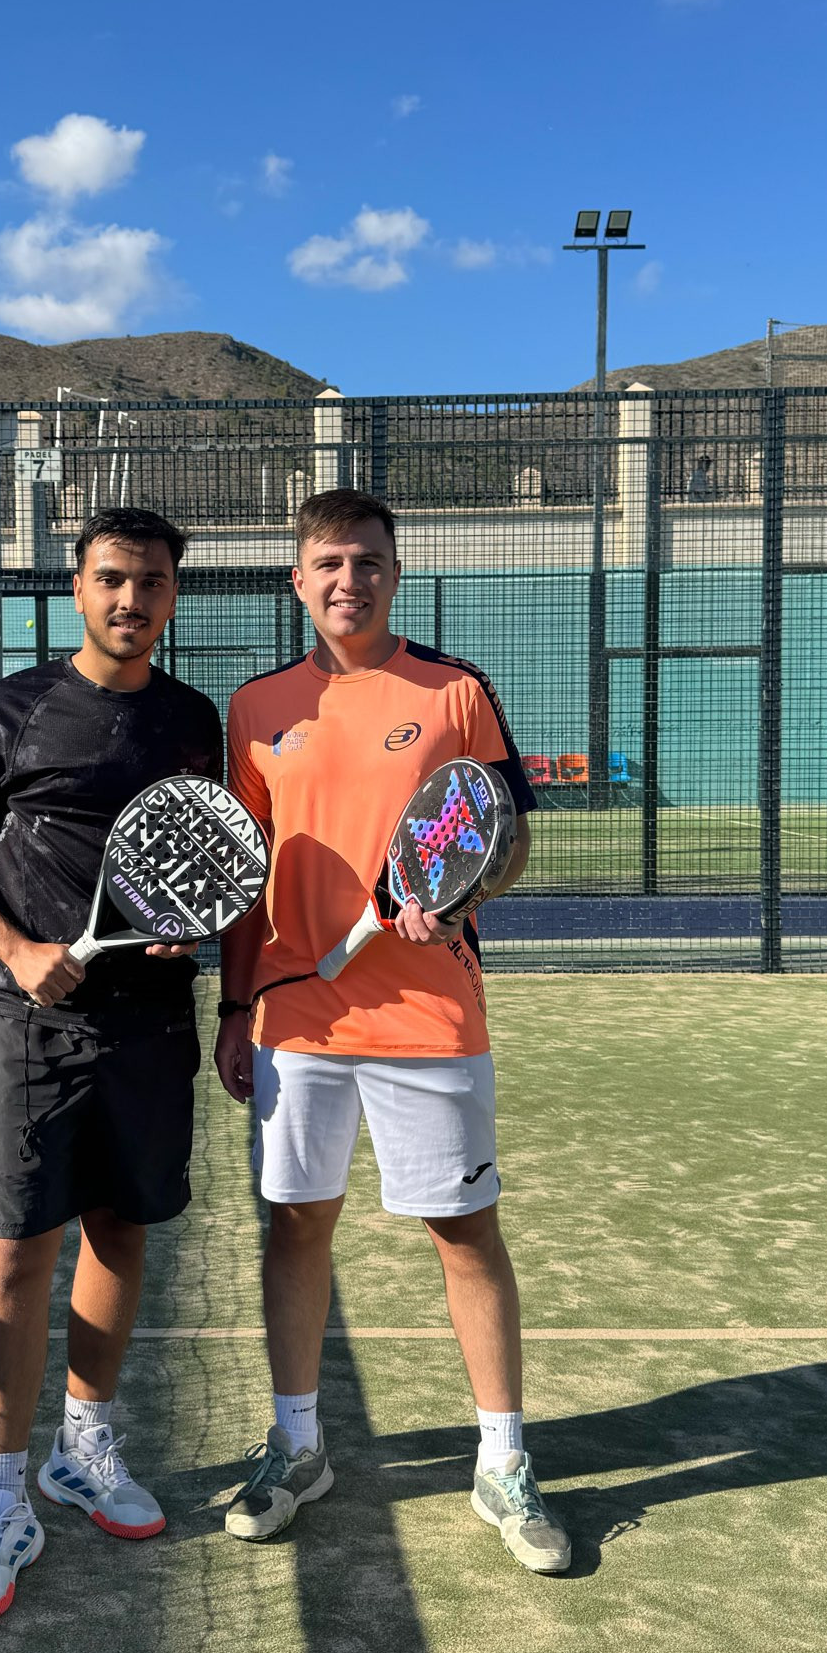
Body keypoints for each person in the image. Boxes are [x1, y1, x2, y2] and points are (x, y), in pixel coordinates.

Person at [215, 488, 569, 1576]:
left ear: (395, 575)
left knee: (464, 1234)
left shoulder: (455, 690)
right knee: (296, 1228)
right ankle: (298, 1447)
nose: (348, 580)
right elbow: (246, 876)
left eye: (367, 561)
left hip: (430, 1013)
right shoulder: (256, 710)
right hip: (297, 1020)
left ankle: (503, 1460)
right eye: (328, 562)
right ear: (298, 581)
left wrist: (462, 901)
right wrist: (232, 1007)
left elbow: (504, 836)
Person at [0, 506, 223, 1627]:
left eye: (152, 581)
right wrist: (15, 948)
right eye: (111, 578)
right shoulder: (9, 710)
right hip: (28, 1027)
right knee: (14, 1257)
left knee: (121, 1234)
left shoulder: (193, 720)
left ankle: (83, 1448)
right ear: (78, 589)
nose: (131, 599)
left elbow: (197, 857)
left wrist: (187, 928)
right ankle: (1, 1500)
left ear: (174, 593)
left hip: (151, 1027)